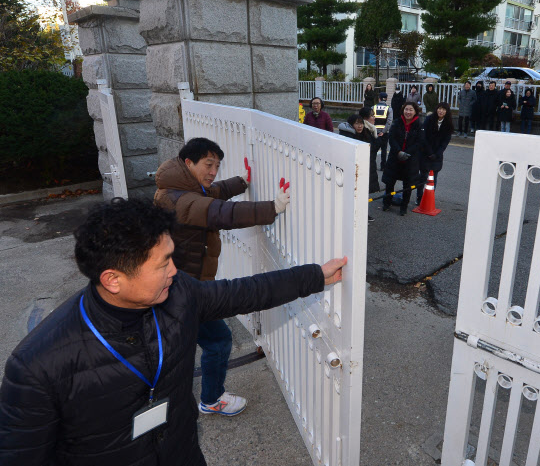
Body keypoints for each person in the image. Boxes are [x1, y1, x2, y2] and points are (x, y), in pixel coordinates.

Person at [0, 197, 347, 465]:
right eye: (163, 262)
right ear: (113, 279)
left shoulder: (179, 295)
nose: (175, 270)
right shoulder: (36, 366)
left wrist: (316, 275)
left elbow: (246, 292)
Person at [152, 137, 290, 417]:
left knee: (181, 345)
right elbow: (220, 212)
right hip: (185, 289)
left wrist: (241, 181)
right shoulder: (180, 200)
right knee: (218, 341)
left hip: (181, 285)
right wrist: (272, 207)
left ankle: (163, 396)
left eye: (217, 165)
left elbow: (214, 193)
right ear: (189, 163)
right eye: (208, 164)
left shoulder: (182, 188)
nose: (213, 171)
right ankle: (211, 399)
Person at [382, 102, 424, 216]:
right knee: (390, 182)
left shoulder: (419, 125)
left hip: (410, 160)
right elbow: (392, 138)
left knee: (407, 185)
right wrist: (399, 151)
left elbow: (419, 142)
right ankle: (387, 203)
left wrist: (407, 153)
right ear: (403, 110)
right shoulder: (397, 122)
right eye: (406, 109)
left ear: (415, 111)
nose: (408, 112)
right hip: (395, 157)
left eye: (411, 110)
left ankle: (404, 207)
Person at [416, 102, 454, 205]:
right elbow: (423, 137)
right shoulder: (429, 119)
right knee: (423, 176)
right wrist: (429, 152)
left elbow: (445, 142)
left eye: (444, 109)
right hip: (425, 153)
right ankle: (419, 198)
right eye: (439, 108)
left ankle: (429, 199)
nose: (441, 111)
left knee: (434, 178)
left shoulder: (448, 124)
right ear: (436, 109)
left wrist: (437, 154)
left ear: (446, 112)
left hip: (437, 155)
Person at [359, 107, 382, 198]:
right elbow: (372, 148)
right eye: (372, 116)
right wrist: (379, 140)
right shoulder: (364, 130)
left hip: (370, 165)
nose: (374, 118)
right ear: (365, 118)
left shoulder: (370, 129)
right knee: (362, 192)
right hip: (365, 166)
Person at [373, 92, 393, 170]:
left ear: (379, 98)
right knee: (384, 150)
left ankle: (372, 165)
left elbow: (370, 120)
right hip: (384, 133)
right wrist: (384, 131)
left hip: (375, 132)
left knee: (374, 150)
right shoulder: (389, 108)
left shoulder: (373, 107)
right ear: (386, 99)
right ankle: (383, 166)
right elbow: (389, 121)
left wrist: (374, 130)